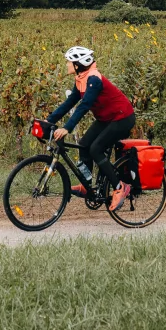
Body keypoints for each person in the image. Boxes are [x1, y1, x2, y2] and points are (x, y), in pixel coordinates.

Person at [47, 46, 136, 212]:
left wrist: (67, 128)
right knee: (84, 144)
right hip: (106, 118)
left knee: (95, 149)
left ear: (78, 65)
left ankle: (120, 186)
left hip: (122, 118)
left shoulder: (94, 79)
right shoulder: (81, 79)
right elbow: (70, 103)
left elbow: (85, 105)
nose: (67, 64)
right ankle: (86, 185)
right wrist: (48, 120)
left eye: (69, 61)